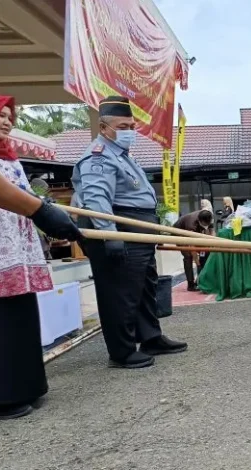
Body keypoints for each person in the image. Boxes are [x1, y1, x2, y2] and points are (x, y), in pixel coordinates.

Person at [0, 92, 81, 420]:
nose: (7, 121)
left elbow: (24, 196)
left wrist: (47, 210)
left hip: (17, 250)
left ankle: (24, 386)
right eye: (0, 115)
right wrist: (40, 210)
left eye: (10, 116)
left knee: (19, 317)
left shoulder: (8, 155)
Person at [72, 95, 187, 369]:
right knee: (120, 291)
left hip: (138, 230)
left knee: (144, 286)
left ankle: (150, 337)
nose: (129, 132)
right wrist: (110, 236)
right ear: (103, 128)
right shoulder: (97, 157)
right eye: (123, 126)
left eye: (131, 126)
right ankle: (121, 351)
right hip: (118, 229)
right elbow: (96, 198)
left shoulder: (121, 155)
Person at [173, 209, 214, 291]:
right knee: (188, 256)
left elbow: (212, 233)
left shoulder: (209, 217)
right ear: (199, 221)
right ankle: (191, 284)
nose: (206, 226)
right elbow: (192, 248)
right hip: (180, 233)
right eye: (204, 224)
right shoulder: (191, 225)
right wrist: (198, 264)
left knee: (206, 251)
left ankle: (203, 279)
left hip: (195, 231)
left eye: (207, 224)